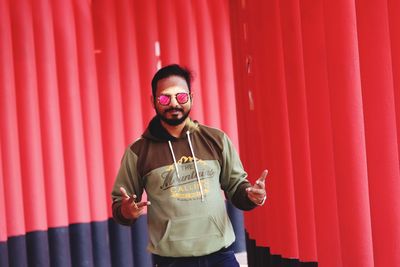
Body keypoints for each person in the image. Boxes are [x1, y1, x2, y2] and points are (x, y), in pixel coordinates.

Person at [111, 64, 267, 267]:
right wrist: (126, 211)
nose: (173, 104)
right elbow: (120, 205)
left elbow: (236, 186)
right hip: (172, 261)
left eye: (181, 97)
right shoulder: (138, 152)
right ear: (153, 101)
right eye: (165, 98)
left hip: (221, 256)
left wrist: (251, 195)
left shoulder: (216, 140)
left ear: (191, 98)